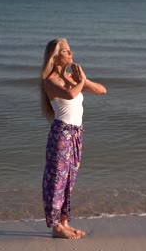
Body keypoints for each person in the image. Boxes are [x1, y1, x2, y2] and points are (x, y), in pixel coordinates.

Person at [39, 38, 106, 239]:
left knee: (69, 180)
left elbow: (102, 90)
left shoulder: (71, 77)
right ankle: (56, 227)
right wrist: (81, 81)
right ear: (55, 55)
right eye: (66, 51)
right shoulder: (50, 80)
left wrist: (83, 80)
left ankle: (65, 223)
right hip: (62, 133)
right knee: (57, 180)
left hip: (77, 133)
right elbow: (69, 94)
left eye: (70, 50)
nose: (71, 53)